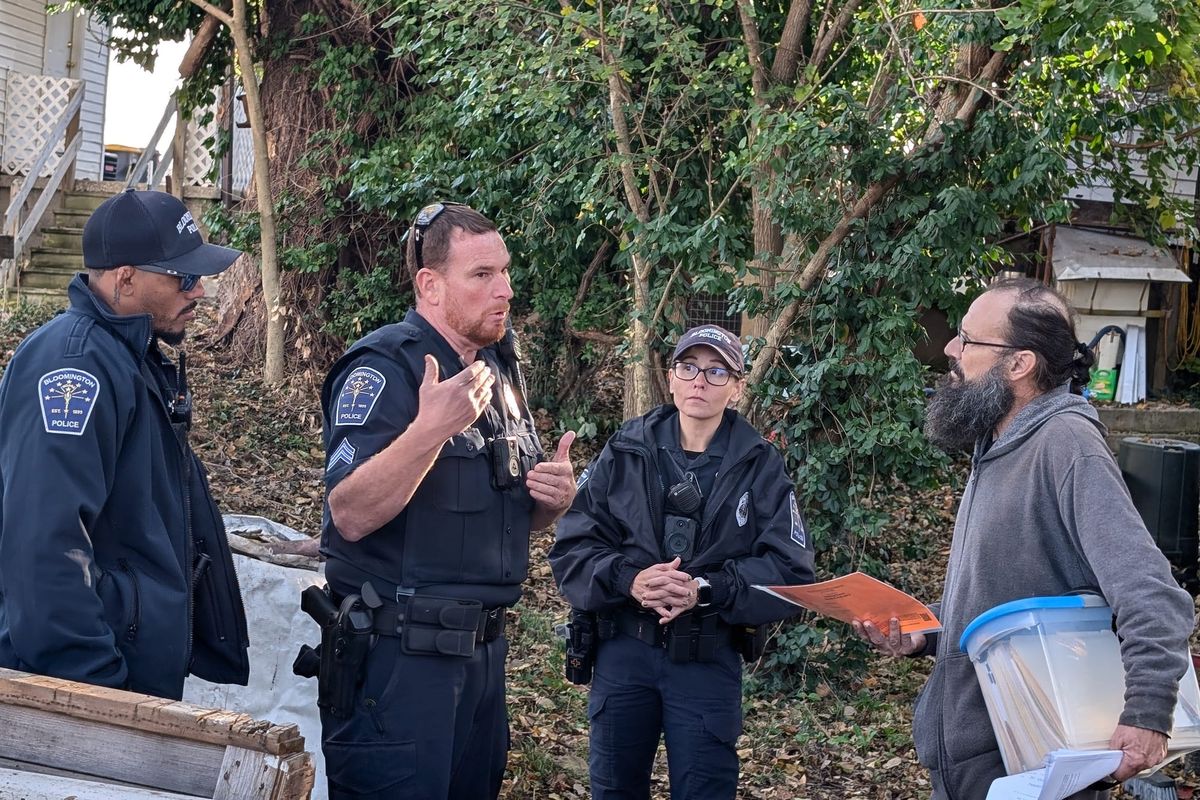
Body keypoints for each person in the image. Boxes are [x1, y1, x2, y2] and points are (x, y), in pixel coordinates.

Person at [856, 278, 1195, 800]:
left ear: (1020, 365)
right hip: (974, 764)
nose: (950, 349)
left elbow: (1155, 597)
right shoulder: (998, 443)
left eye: (967, 340)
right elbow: (1008, 596)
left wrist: (1147, 714)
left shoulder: (1066, 446)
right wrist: (924, 632)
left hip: (1034, 769)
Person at [313, 201, 577, 800]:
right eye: (481, 276)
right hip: (398, 664)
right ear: (429, 285)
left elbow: (501, 511)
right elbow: (349, 514)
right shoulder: (383, 368)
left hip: (482, 662)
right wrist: (429, 429)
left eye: (505, 272)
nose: (504, 290)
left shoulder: (500, 371)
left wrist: (550, 500)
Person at [0, 188, 250, 700]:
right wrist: (97, 691)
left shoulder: (128, 359)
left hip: (121, 682)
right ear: (126, 277)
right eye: (182, 276)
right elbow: (45, 551)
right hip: (83, 692)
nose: (199, 290)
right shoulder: (75, 370)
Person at [548, 324, 815, 800]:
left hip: (705, 659)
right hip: (623, 652)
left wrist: (704, 590)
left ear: (736, 387)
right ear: (670, 378)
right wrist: (631, 580)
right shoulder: (626, 449)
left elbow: (791, 571)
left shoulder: (761, 465)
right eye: (689, 367)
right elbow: (573, 547)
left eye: (717, 372)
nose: (700, 381)